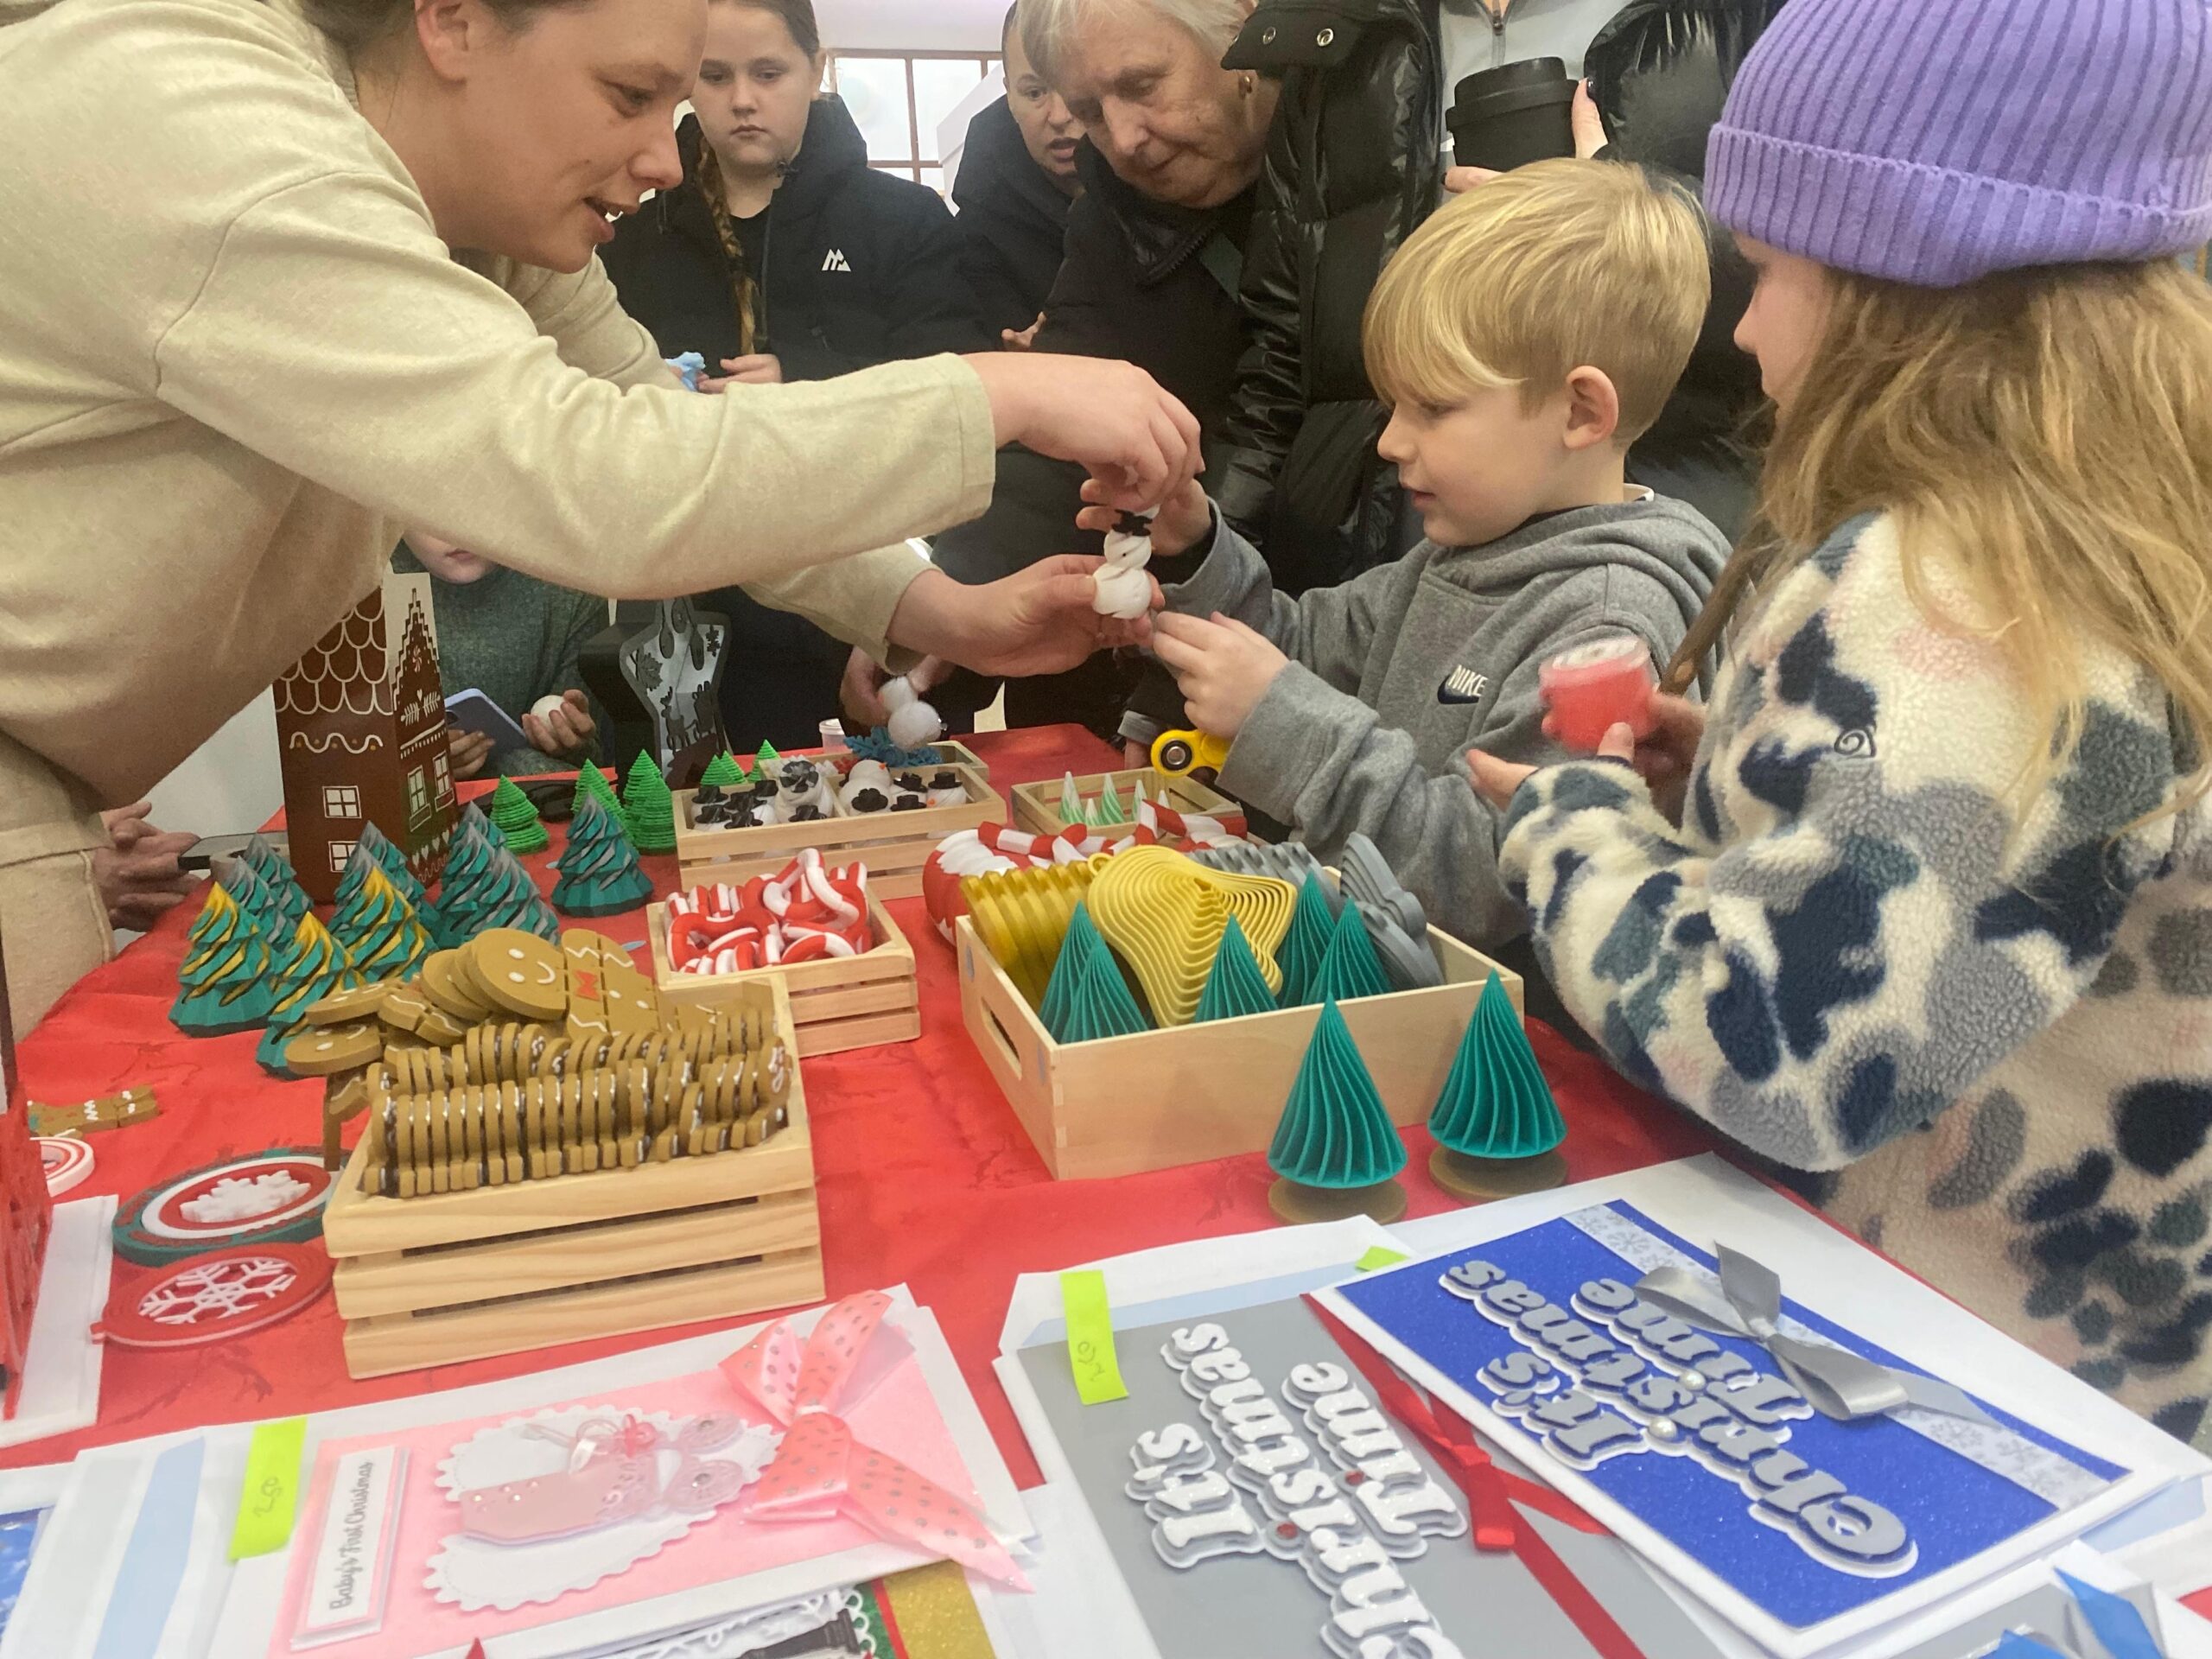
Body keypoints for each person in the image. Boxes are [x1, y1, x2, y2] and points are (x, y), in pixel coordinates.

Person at [0, 0, 1199, 1029]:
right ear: (454, 20)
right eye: (633, 95)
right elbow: (605, 478)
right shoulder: (224, 137)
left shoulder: (450, 185)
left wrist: (941, 610)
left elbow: (653, 428)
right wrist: (996, 391)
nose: (668, 157)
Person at [1467, 0, 2212, 1446]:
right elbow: (2013, 896)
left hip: (1946, 1387)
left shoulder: (1957, 587)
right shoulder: (2135, 532)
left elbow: (1787, 1057)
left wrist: (1574, 823)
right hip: (2135, 1384)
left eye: (1763, 272)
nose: (1744, 332)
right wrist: (1763, 793)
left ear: (1896, 283)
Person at [1103, 162, 1724, 1001]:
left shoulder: (1610, 621)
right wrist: (1189, 545)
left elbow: (1485, 881)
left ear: (1581, 412)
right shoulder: (1454, 555)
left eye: (1431, 408)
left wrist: (1281, 723)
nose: (1390, 442)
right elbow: (1294, 648)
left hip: (1522, 1066)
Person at [1211, 0, 1782, 588]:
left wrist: (1621, 218)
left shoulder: (1752, 16)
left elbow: (1847, 297)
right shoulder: (1335, 21)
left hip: (1667, 555)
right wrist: (1211, 563)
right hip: (1372, 571)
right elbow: (1278, 353)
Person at [599, 0, 992, 752]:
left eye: (769, 72)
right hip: (693, 624)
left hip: (875, 600)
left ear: (817, 68)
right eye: (714, 76)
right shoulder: (633, 242)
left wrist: (811, 389)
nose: (742, 99)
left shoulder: (903, 221)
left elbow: (960, 401)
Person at [912, 0, 1281, 745]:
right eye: (1088, 108)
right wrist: (946, 601)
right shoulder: (1105, 216)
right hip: (1169, 640)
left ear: (1242, 29)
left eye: (1143, 85)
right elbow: (1054, 439)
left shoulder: (1379, 173)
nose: (1123, 139)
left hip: (1331, 629)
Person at [397, 534, 607, 780]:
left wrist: (573, 744)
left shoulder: (571, 586)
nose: (456, 530)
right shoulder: (362, 586)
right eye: (430, 507)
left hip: (544, 798)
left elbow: (592, 766)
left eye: (481, 498)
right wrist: (414, 768)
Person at [954, 3, 1083, 347]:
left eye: (1075, 85)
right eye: (1035, 92)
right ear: (1009, 94)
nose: (1059, 115)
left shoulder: (1169, 180)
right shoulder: (977, 231)